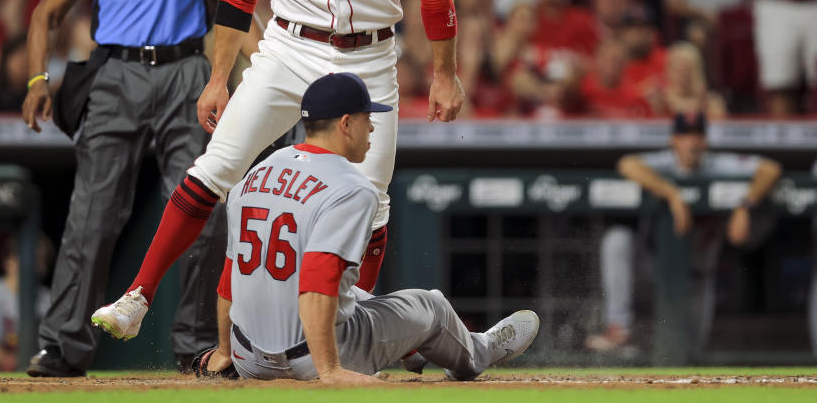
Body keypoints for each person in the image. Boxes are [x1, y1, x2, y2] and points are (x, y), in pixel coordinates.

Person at [91, 0, 464, 351]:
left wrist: (444, 73)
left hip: (368, 58)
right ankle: (137, 298)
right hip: (288, 51)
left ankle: (351, 326)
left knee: (370, 196)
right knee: (215, 166)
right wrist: (218, 78)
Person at [21, 0, 233, 378]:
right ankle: (65, 346)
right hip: (114, 74)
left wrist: (234, 76)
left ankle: (197, 345)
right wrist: (38, 77)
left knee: (206, 216)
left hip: (188, 71)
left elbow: (235, 8)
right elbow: (46, 13)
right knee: (91, 217)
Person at [189, 72, 540, 382]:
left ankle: (416, 344)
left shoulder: (254, 174)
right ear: (345, 124)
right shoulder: (351, 186)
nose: (371, 127)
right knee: (430, 306)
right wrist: (329, 371)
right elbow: (316, 282)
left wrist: (224, 351)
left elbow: (231, 278)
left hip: (246, 356)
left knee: (356, 295)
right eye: (366, 118)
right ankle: (478, 350)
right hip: (312, 358)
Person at [584, 111, 782, 352]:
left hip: (695, 278)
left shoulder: (715, 164)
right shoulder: (666, 162)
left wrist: (744, 205)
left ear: (705, 140)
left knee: (690, 352)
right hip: (652, 268)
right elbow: (627, 164)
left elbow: (771, 169)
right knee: (618, 240)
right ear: (673, 140)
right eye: (685, 135)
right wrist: (672, 194)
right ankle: (618, 327)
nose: (692, 142)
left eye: (697, 135)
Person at [0, 237, 52, 373]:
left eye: (40, 260)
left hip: (36, 377)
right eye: (29, 259)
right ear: (8, 262)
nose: (34, 266)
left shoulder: (48, 300)